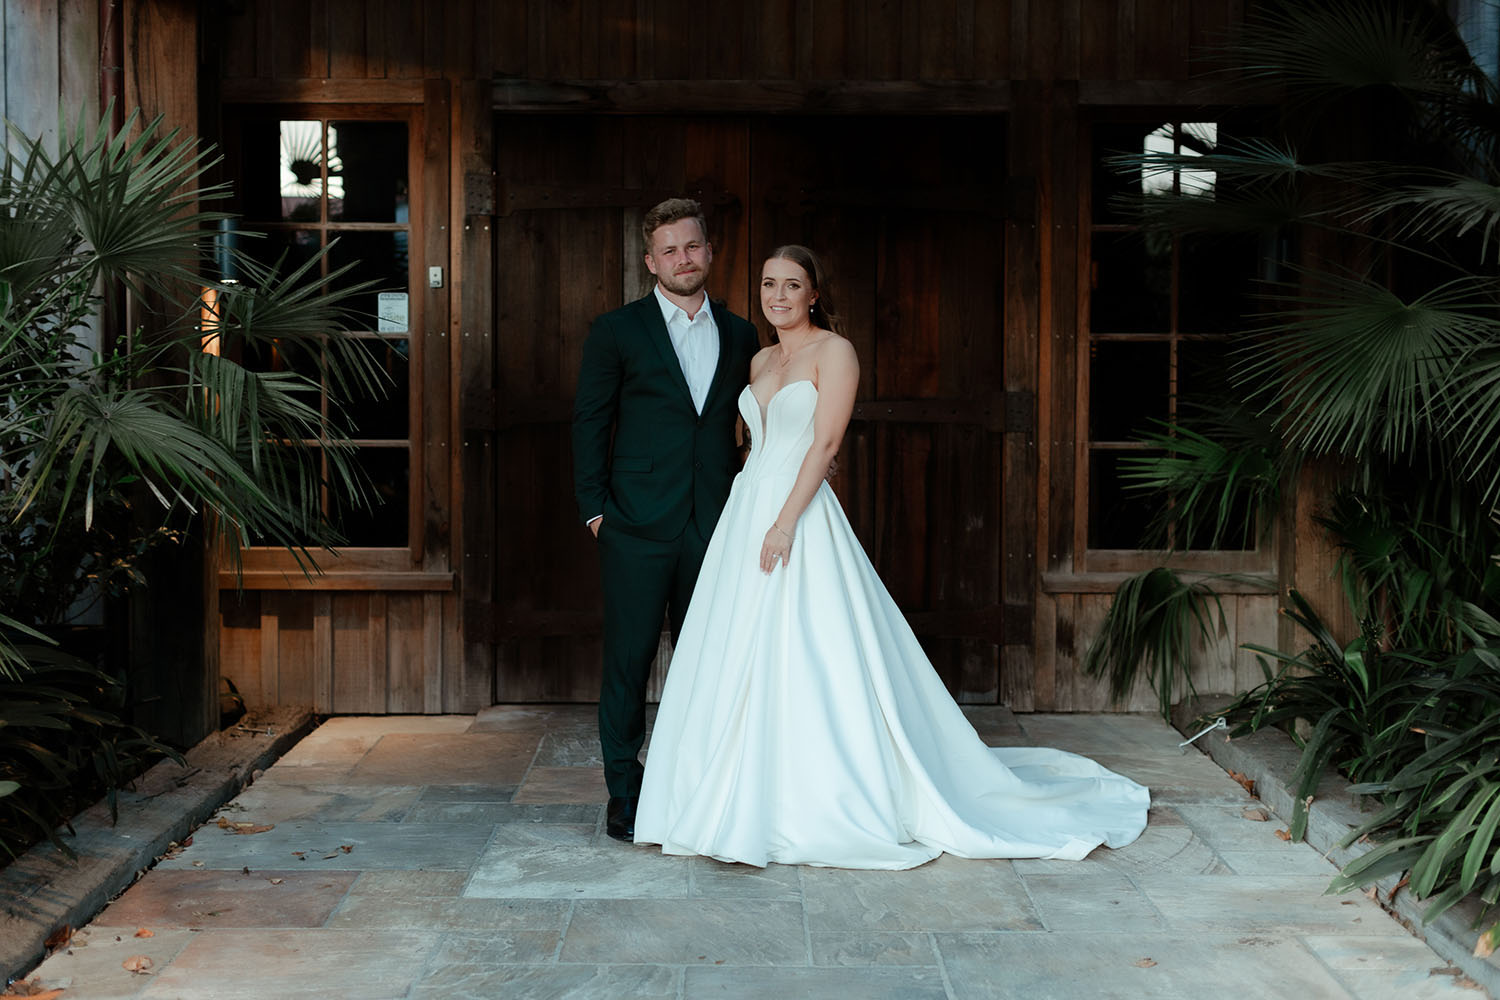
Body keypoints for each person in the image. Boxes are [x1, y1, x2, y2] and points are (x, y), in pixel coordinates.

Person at [634, 245, 1150, 869]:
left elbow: (824, 444)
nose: (778, 295)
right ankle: (727, 787)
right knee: (734, 644)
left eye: (792, 285)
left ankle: (821, 796)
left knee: (809, 645)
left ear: (814, 293)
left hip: (795, 513)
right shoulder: (762, 357)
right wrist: (751, 514)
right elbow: (753, 444)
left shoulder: (835, 352)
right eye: (769, 284)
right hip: (747, 509)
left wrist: (784, 523)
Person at [572, 198, 761, 842]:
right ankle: (625, 796)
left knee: (706, 661)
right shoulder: (617, 331)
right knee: (628, 664)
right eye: (669, 250)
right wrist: (596, 511)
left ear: (710, 252)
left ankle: (693, 788)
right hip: (633, 526)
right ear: (652, 262)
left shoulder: (740, 335)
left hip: (714, 524)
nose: (684, 259)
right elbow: (591, 424)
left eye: (693, 246)